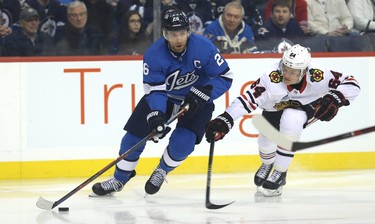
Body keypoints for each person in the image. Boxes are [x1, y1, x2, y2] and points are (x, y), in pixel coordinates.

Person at [91, 9, 233, 196]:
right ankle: (119, 179)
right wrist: (157, 115)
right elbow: (155, 90)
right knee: (133, 138)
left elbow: (225, 76)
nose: (179, 39)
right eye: (173, 34)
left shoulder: (204, 47)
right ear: (165, 34)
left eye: (182, 33)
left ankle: (162, 170)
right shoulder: (154, 55)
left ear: (188, 32)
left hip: (198, 99)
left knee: (184, 142)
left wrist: (205, 92)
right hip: (165, 98)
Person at [205, 44, 360, 197]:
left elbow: (352, 83)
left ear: (305, 71)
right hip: (274, 109)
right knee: (265, 144)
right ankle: (268, 163)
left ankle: (280, 173)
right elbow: (248, 99)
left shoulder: (318, 74)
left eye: (293, 72)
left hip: (305, 107)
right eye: (285, 68)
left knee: (291, 119)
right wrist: (226, 118)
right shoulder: (271, 77)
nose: (286, 74)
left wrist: (335, 98)